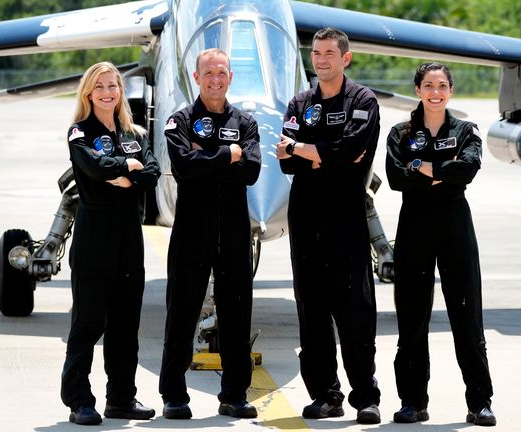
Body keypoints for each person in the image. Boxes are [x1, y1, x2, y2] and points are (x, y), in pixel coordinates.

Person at [276, 27, 382, 425]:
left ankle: (365, 397)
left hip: (345, 217)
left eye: (328, 53)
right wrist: (320, 154)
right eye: (316, 52)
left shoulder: (362, 100)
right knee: (312, 311)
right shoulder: (300, 101)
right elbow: (286, 160)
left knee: (355, 310)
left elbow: (352, 149)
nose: (320, 59)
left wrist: (308, 150)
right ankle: (325, 395)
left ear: (345, 58)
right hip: (305, 217)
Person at [385, 62, 497, 427]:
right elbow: (396, 178)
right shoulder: (400, 133)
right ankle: (412, 402)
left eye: (442, 85)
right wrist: (439, 170)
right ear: (417, 90)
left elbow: (467, 170)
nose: (435, 92)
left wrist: (424, 168)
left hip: (454, 226)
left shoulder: (466, 130)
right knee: (412, 319)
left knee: (467, 318)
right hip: (414, 227)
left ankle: (480, 402)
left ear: (450, 91)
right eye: (428, 85)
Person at [159, 48, 261, 420]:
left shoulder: (246, 123)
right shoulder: (180, 121)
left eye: (222, 72)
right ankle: (174, 395)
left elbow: (250, 171)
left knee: (237, 314)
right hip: (191, 230)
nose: (215, 79)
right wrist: (227, 155)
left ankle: (234, 394)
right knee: (181, 312)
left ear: (231, 77)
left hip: (234, 231)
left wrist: (210, 156)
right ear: (196, 76)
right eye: (209, 73)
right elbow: (184, 167)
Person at [61, 61, 160, 426]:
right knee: (88, 321)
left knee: (125, 323)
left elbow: (152, 172)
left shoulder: (134, 131)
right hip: (94, 234)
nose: (107, 92)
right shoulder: (79, 132)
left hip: (129, 237)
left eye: (113, 86)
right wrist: (126, 168)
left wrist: (127, 172)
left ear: (120, 92)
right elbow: (93, 167)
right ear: (88, 92)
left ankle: (121, 399)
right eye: (100, 86)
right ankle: (79, 400)